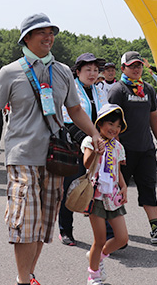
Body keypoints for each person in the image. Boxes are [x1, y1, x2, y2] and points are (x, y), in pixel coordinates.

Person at [0, 13, 103, 285]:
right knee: (25, 219)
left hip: (55, 157)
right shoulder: (10, 72)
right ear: (26, 38)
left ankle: (29, 274)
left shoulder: (63, 71)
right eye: (41, 32)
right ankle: (23, 280)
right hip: (22, 156)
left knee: (43, 223)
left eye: (51, 32)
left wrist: (94, 133)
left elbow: (75, 109)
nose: (48, 37)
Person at [108, 51, 157, 244]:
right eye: (132, 66)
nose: (136, 69)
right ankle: (110, 230)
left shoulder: (147, 89)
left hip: (145, 148)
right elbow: (111, 123)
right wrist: (116, 150)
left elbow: (153, 117)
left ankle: (156, 229)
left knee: (148, 188)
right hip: (123, 150)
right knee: (116, 190)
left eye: (139, 65)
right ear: (123, 68)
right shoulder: (117, 90)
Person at [58, 52, 107, 246]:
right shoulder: (71, 90)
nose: (93, 73)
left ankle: (105, 235)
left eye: (96, 70)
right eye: (88, 70)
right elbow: (67, 120)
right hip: (75, 147)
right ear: (77, 71)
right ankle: (65, 230)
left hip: (99, 148)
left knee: (101, 190)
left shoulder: (100, 91)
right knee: (71, 188)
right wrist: (87, 140)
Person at [83, 104, 129, 285]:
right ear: (100, 123)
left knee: (122, 238)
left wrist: (124, 186)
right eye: (111, 123)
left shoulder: (118, 146)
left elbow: (117, 170)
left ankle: (97, 257)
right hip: (96, 196)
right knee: (100, 238)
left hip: (113, 196)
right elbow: (87, 164)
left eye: (118, 126)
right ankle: (93, 275)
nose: (114, 129)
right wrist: (96, 150)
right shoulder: (90, 140)